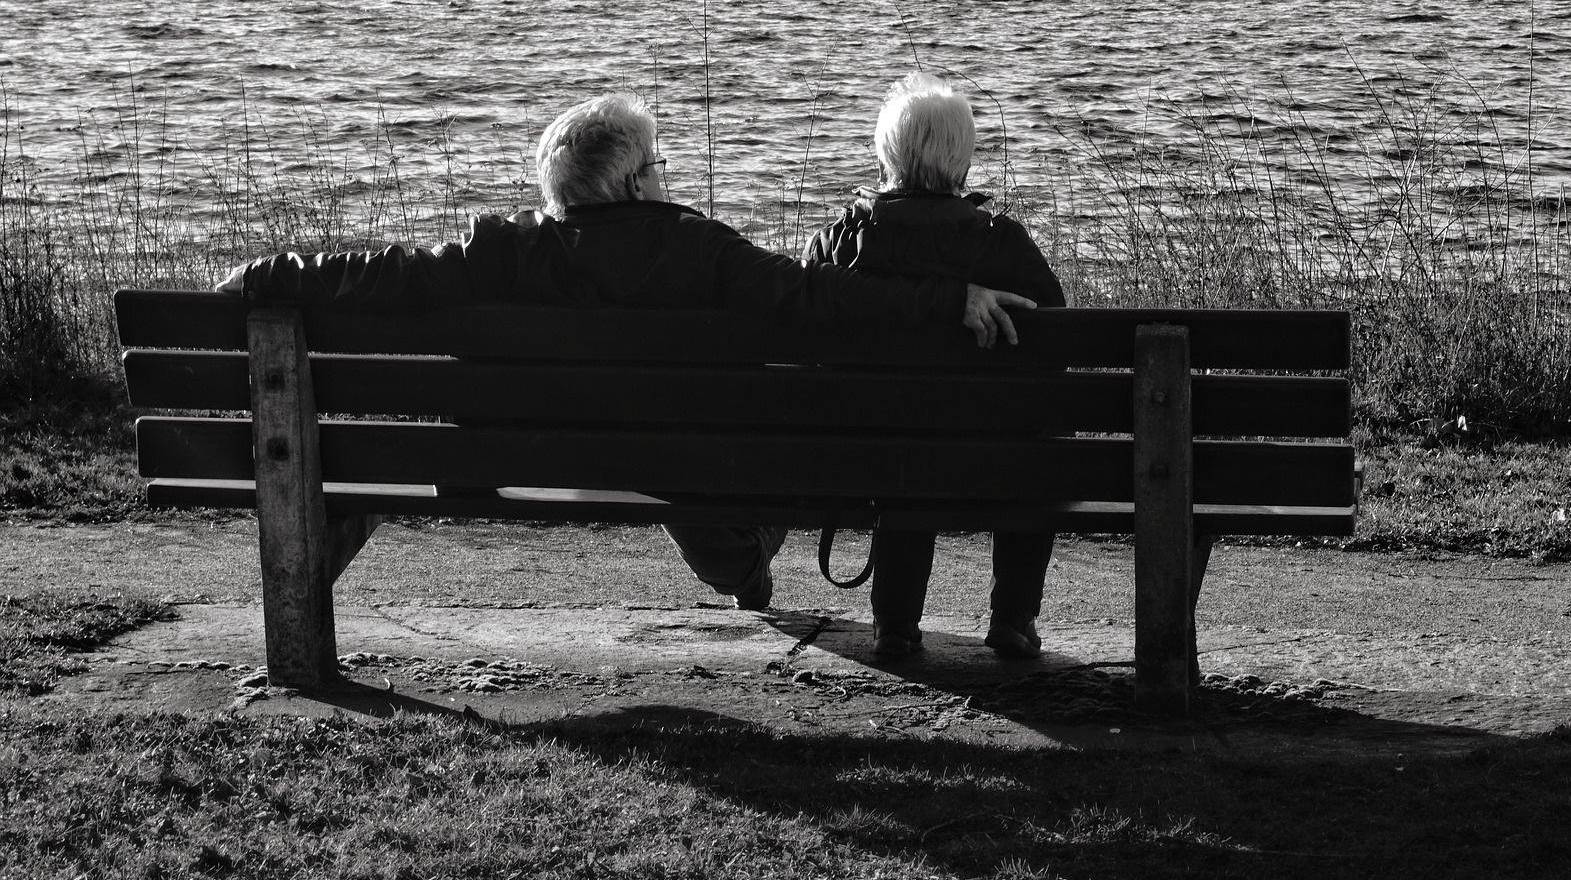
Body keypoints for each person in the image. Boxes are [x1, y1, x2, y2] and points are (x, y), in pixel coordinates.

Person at [216, 92, 1035, 612]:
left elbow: (379, 277)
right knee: (732, 463)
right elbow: (821, 298)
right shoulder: (700, 249)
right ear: (637, 181)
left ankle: (293, 629)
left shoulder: (502, 249)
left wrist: (263, 271)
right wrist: (947, 299)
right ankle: (741, 565)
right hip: (678, 461)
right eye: (660, 165)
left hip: (510, 452)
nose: (665, 176)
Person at [804, 74, 1067, 659]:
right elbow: (1056, 344)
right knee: (1039, 445)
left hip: (867, 458)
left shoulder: (835, 245)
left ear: (885, 154)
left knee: (903, 450)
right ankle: (1013, 617)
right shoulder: (1003, 245)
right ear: (963, 161)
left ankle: (894, 625)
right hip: (993, 461)